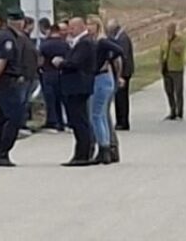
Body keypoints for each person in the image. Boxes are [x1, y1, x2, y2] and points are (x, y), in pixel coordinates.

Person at [0, 8, 28, 166]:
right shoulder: (8, 38)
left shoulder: (3, 35)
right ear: (19, 22)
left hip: (4, 81)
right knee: (14, 118)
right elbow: (2, 61)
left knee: (1, 118)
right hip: (8, 81)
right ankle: (2, 151)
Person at [54, 16, 96, 166]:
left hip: (77, 86)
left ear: (81, 27)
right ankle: (82, 152)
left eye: (72, 28)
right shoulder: (78, 42)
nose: (70, 31)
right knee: (78, 120)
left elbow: (75, 63)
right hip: (76, 86)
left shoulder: (84, 42)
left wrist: (61, 63)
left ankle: (82, 154)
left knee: (79, 120)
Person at [87, 15, 123, 164]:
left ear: (97, 26)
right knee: (101, 115)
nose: (88, 27)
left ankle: (104, 147)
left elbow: (118, 50)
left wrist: (106, 61)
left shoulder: (102, 41)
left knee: (97, 115)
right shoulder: (94, 42)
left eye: (91, 24)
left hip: (102, 78)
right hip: (99, 78)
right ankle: (106, 147)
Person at [38, 19, 68, 132]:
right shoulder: (65, 45)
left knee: (50, 99)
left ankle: (52, 121)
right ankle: (62, 122)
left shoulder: (45, 45)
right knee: (61, 99)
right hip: (62, 74)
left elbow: (40, 60)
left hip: (48, 73)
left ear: (50, 31)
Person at [107, 18, 135, 131]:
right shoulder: (119, 37)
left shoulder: (122, 38)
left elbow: (123, 56)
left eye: (110, 29)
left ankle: (123, 121)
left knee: (122, 98)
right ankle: (120, 120)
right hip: (121, 71)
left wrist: (120, 74)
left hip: (124, 72)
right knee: (119, 97)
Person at [159, 22, 186, 120]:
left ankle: (179, 112)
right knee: (169, 91)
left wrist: (172, 42)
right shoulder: (164, 41)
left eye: (170, 29)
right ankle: (172, 111)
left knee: (178, 91)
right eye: (167, 29)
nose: (168, 31)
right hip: (166, 69)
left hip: (176, 69)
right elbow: (161, 54)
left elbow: (179, 51)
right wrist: (161, 65)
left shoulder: (179, 39)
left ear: (174, 30)